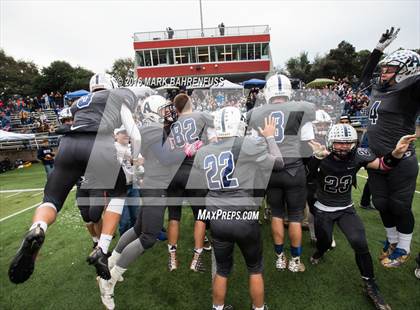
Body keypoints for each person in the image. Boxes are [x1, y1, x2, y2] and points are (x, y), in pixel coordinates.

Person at [8, 73, 143, 284]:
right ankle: (102, 248)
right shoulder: (116, 96)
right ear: (112, 86)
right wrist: (134, 159)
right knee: (118, 194)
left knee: (51, 201)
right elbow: (135, 135)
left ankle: (38, 227)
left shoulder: (79, 102)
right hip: (98, 144)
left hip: (68, 146)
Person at [308, 123, 416, 310]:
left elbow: (383, 165)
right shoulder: (320, 156)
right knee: (324, 242)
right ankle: (320, 251)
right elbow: (306, 176)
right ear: (330, 142)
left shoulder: (358, 155)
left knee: (359, 242)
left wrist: (397, 152)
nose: (343, 146)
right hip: (323, 209)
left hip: (345, 208)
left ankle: (370, 283)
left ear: (354, 143)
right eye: (339, 143)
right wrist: (316, 158)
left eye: (347, 143)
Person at [97, 95, 186, 309]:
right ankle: (108, 281)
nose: (167, 112)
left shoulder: (147, 128)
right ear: (152, 110)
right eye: (163, 109)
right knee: (148, 237)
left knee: (138, 228)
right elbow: (165, 158)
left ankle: (109, 263)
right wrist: (187, 150)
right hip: (156, 186)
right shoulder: (153, 129)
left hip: (151, 183)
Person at [193, 107, 282, 310]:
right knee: (255, 268)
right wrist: (269, 138)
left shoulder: (204, 151)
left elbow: (201, 175)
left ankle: (218, 307)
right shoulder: (248, 144)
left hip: (218, 218)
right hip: (244, 216)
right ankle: (258, 308)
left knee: (223, 269)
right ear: (240, 124)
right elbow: (279, 163)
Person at [359, 27, 420, 267]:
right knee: (382, 203)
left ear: (407, 71)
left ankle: (403, 248)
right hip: (376, 158)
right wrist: (378, 49)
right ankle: (392, 241)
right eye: (384, 68)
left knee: (399, 205)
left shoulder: (411, 91)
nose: (384, 72)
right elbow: (365, 76)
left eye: (390, 69)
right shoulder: (378, 88)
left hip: (402, 159)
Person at [247, 73, 315, 272]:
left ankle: (279, 257)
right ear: (288, 91)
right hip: (294, 169)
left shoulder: (258, 113)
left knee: (276, 213)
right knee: (295, 216)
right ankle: (295, 260)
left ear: (267, 92)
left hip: (271, 169)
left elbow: (254, 146)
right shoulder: (300, 109)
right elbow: (308, 147)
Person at [166, 93, 216, 272]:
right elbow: (215, 135)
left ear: (177, 108)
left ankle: (172, 257)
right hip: (194, 172)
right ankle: (196, 258)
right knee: (201, 216)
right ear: (191, 104)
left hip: (173, 174)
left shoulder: (172, 125)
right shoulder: (201, 116)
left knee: (173, 216)